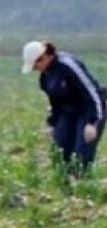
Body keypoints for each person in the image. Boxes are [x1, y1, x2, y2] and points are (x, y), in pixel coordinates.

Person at [21, 41, 105, 176]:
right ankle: (65, 188)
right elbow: (55, 103)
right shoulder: (45, 78)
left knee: (81, 154)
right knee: (60, 152)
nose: (36, 70)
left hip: (88, 110)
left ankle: (81, 187)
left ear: (43, 57)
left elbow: (91, 92)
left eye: (36, 65)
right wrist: (52, 124)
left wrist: (92, 122)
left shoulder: (68, 65)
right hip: (68, 112)